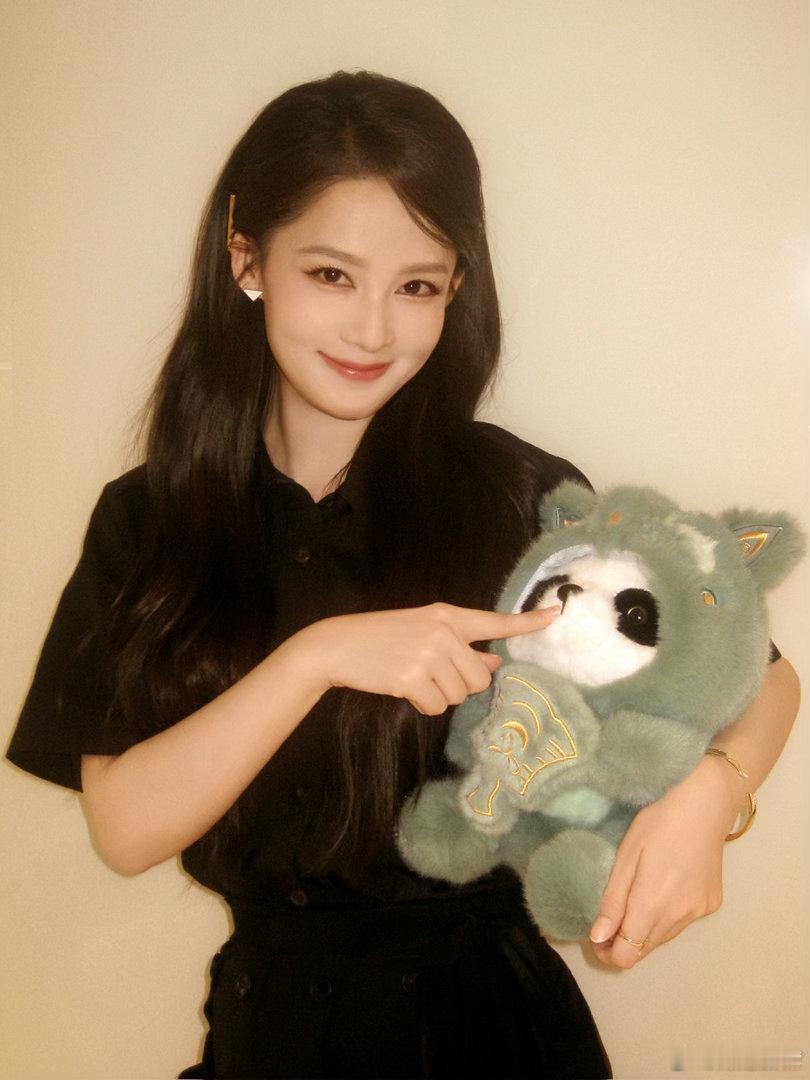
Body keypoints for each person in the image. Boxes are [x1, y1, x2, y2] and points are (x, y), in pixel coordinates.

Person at [6, 70, 799, 1080]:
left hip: (491, 1037)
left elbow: (758, 675)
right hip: (267, 1037)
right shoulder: (149, 518)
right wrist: (318, 656)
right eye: (332, 275)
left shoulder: (517, 496)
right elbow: (124, 827)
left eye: (417, 285)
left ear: (456, 288)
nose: (373, 330)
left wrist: (711, 796)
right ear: (247, 261)